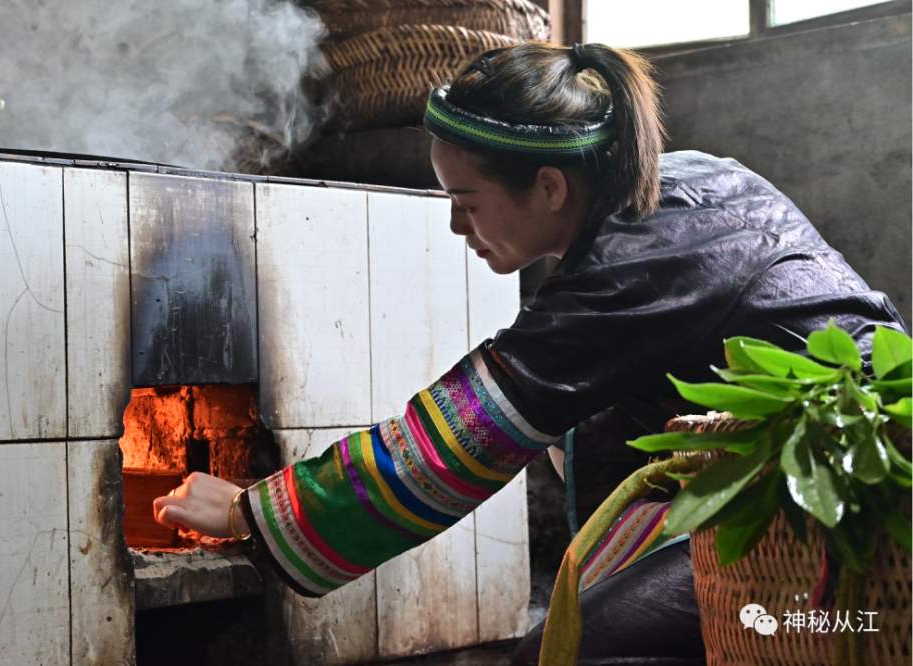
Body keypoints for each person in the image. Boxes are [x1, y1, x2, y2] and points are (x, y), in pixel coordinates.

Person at [152, 42, 907, 664]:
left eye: (467, 203)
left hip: (855, 500)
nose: (457, 228)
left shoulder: (628, 269)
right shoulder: (685, 183)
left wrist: (259, 512)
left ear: (549, 186)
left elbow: (461, 436)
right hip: (803, 478)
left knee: (559, 653)